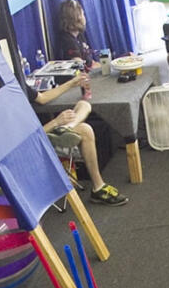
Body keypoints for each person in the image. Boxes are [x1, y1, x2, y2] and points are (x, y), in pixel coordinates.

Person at [23, 75, 127, 206]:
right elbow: (24, 140)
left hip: (49, 130)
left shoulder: (17, 82)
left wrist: (71, 83)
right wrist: (55, 123)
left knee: (84, 105)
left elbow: (42, 98)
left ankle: (67, 128)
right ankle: (98, 188)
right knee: (85, 130)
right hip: (37, 138)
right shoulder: (3, 101)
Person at [54, 0, 98, 68]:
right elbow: (80, 67)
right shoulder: (68, 41)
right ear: (77, 17)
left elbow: (89, 60)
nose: (84, 17)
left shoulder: (79, 35)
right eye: (83, 14)